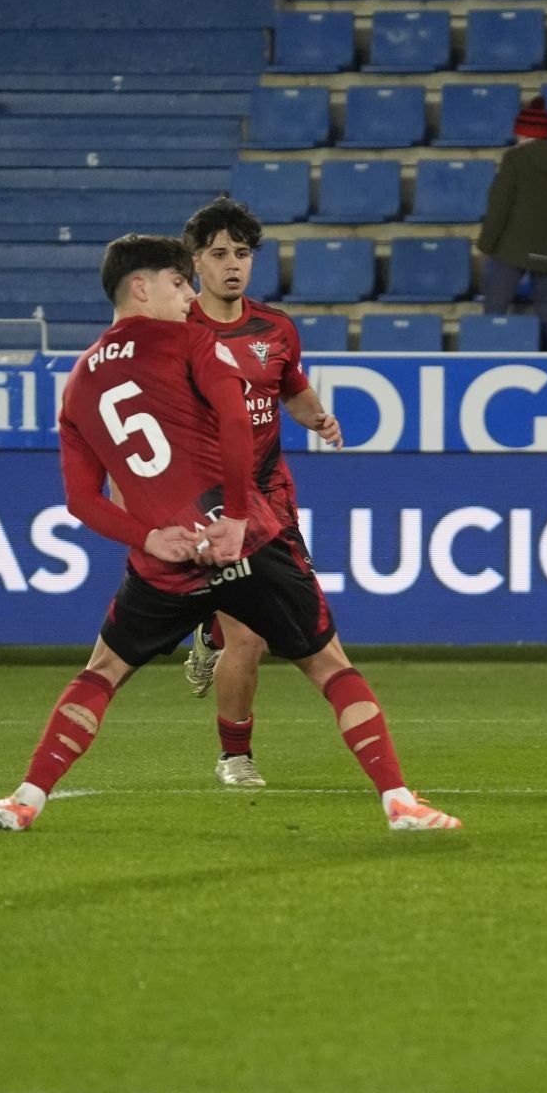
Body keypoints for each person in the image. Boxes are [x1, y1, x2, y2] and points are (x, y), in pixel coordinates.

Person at [0, 234, 459, 833]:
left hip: (167, 560)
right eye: (178, 283)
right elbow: (235, 424)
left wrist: (148, 540)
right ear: (141, 287)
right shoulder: (193, 340)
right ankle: (399, 802)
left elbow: (80, 501)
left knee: (100, 673)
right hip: (244, 539)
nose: (189, 295)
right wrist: (239, 517)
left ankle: (24, 802)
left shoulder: (79, 383)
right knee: (329, 666)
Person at [175, 197, 344, 789]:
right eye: (219, 253)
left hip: (270, 493)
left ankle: (207, 632)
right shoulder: (174, 332)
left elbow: (291, 388)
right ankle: (234, 757)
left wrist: (318, 418)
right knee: (249, 630)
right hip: (207, 496)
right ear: (195, 261)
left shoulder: (275, 329)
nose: (232, 265)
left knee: (273, 627)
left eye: (242, 254)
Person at [477, 96, 547, 340]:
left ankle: (488, 356)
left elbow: (499, 206)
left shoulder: (514, 159)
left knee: (494, 310)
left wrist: (486, 244)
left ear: (522, 133)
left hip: (510, 248)